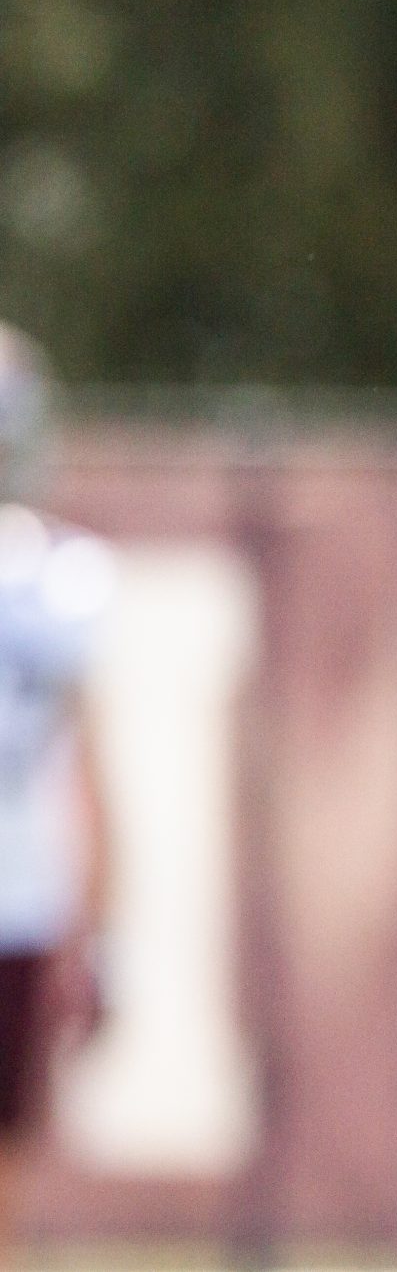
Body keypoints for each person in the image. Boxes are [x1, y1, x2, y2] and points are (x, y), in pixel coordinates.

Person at [0, 325, 113, 1250]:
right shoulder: (56, 575)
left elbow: (88, 770)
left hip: (21, 903)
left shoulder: (59, 578)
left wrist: (101, 933)